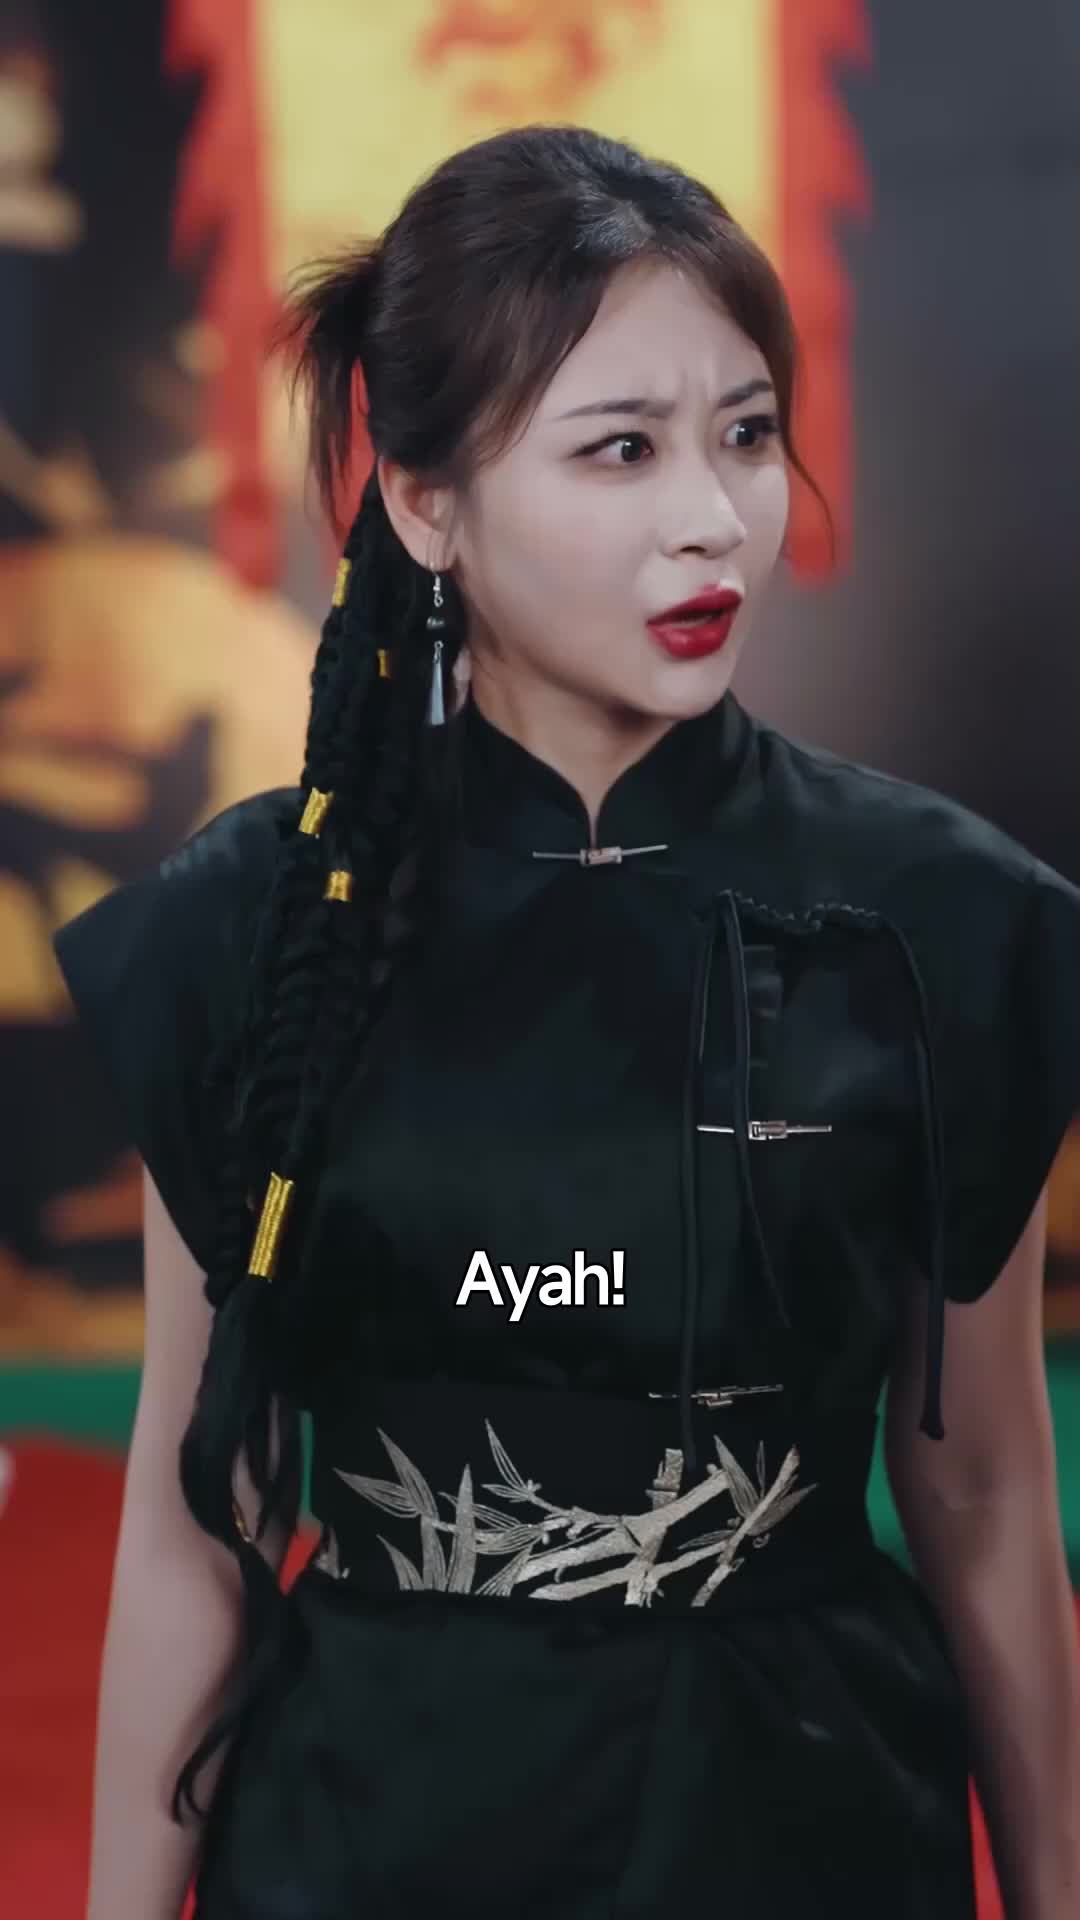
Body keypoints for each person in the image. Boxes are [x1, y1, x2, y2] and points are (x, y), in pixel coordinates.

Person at [52, 123, 1080, 1920]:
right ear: (425, 501)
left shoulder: (943, 919)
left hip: (806, 1832)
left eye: (745, 434)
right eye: (622, 448)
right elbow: (194, 1514)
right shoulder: (255, 928)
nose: (715, 516)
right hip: (365, 1841)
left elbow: (984, 1487)